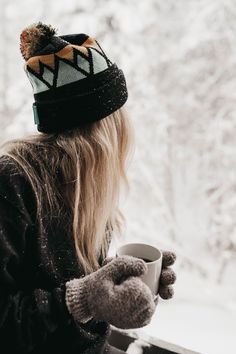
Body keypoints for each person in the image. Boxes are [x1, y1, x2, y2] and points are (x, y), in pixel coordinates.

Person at [0, 22, 177, 354]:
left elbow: (57, 275)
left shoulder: (85, 186)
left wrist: (114, 279)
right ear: (102, 128)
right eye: (118, 115)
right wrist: (83, 298)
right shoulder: (13, 181)